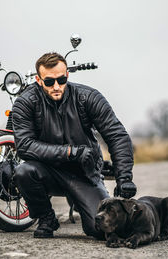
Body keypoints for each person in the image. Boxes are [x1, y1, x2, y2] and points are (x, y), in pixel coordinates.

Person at [12, 52, 136, 239]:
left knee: (100, 230)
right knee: (23, 171)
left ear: (67, 75)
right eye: (49, 82)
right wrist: (70, 152)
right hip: (47, 171)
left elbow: (117, 135)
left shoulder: (88, 97)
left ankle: (83, 201)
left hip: (84, 174)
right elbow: (24, 145)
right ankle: (46, 218)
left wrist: (124, 177)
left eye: (61, 80)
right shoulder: (25, 102)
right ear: (38, 80)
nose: (56, 86)